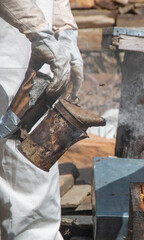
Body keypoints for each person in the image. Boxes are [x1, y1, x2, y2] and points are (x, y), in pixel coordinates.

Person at [0, 0, 83, 239]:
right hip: (7, 59)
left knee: (33, 192)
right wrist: (38, 30)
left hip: (39, 65)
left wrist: (65, 32)